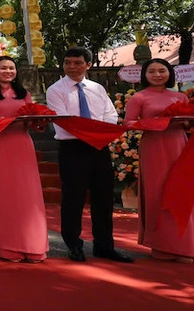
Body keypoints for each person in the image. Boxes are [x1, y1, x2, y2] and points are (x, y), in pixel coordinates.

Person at [46, 47, 134, 263]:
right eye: (67, 63)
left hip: (99, 147)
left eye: (77, 63)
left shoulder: (97, 88)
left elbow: (110, 115)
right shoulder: (55, 90)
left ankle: (104, 246)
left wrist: (99, 134)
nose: (72, 67)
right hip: (72, 147)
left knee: (103, 197)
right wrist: (92, 132)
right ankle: (74, 245)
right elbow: (63, 120)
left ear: (88, 65)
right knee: (73, 198)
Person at [0, 56, 48, 262]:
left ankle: (34, 246)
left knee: (29, 195)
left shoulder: (24, 94)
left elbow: (30, 122)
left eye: (11, 68)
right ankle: (9, 247)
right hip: (1, 146)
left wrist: (40, 121)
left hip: (23, 145)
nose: (8, 71)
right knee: (6, 194)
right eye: (3, 68)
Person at [123, 58, 194, 263]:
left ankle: (184, 244)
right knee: (157, 193)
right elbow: (128, 123)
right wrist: (155, 123)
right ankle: (161, 246)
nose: (157, 75)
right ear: (144, 75)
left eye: (161, 70)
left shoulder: (180, 96)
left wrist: (186, 123)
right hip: (154, 147)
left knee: (182, 191)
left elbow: (187, 124)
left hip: (179, 145)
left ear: (169, 73)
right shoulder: (139, 97)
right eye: (152, 71)